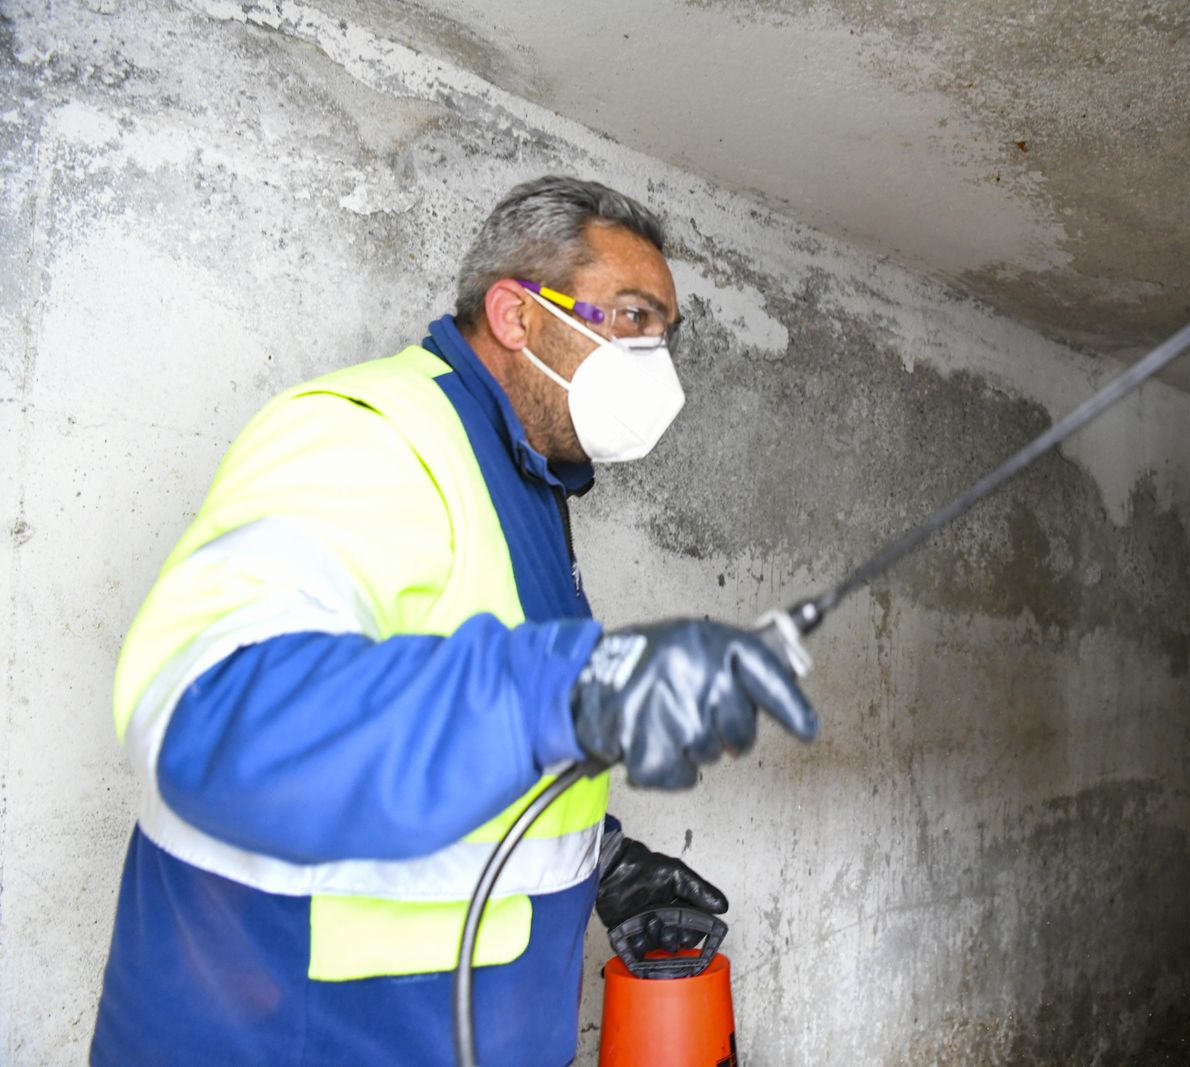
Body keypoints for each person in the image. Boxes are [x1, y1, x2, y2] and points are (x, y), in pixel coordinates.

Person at [90, 176, 818, 1066]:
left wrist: (602, 861)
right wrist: (580, 687)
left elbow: (463, 740)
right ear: (517, 315)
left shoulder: (526, 485)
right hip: (296, 1037)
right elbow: (212, 712)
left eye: (666, 332)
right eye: (631, 316)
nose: (655, 356)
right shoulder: (372, 434)